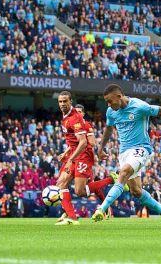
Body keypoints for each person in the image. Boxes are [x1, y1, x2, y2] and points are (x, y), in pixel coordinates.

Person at [91, 84, 161, 228]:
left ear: (119, 96)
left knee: (123, 172)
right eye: (107, 102)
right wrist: (101, 148)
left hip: (141, 148)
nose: (108, 105)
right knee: (136, 191)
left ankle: (101, 209)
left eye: (110, 101)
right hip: (124, 153)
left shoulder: (139, 106)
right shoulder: (111, 111)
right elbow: (109, 128)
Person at [53, 91, 94, 225]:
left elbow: (83, 143)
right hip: (74, 153)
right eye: (60, 101)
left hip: (82, 154)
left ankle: (110, 179)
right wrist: (66, 153)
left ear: (71, 101)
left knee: (80, 191)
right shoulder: (65, 116)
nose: (62, 104)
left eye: (65, 101)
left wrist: (71, 158)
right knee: (61, 183)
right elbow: (74, 142)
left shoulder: (74, 118)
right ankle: (71, 217)